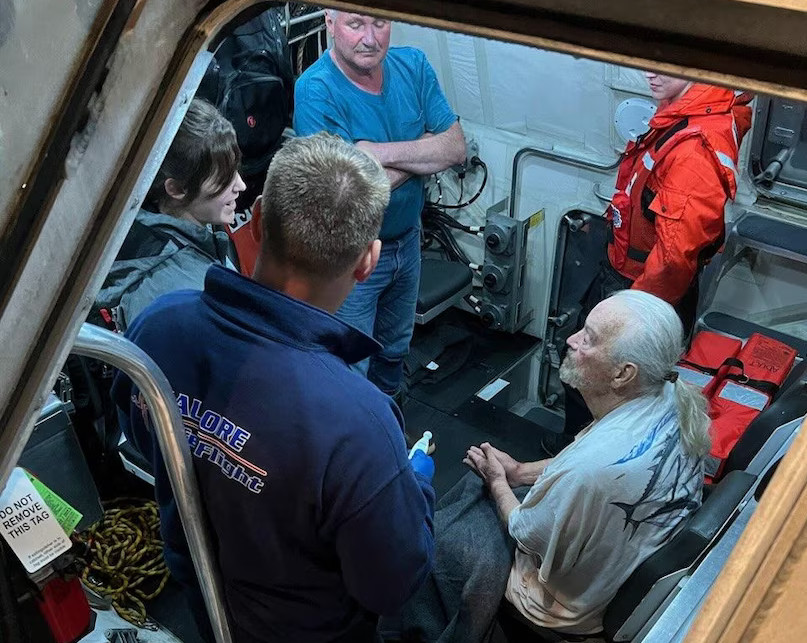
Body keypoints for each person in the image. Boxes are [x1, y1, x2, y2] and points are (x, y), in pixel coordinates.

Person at [112, 133, 436, 643]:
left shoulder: (158, 326)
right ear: (367, 260)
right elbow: (390, 587)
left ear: (257, 220)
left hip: (203, 593)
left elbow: (144, 436)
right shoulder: (360, 422)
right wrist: (415, 482)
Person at [400, 290, 710, 640]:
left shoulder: (596, 467)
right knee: (482, 486)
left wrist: (499, 481)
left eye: (589, 339)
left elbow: (524, 529)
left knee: (440, 544)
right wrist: (518, 471)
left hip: (561, 606)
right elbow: (575, 462)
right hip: (613, 554)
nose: (572, 340)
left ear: (624, 373)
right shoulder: (666, 394)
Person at [553, 74, 753, 447]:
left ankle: (580, 461)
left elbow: (674, 259)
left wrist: (627, 316)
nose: (651, 71)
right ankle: (575, 449)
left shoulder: (695, 150)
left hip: (641, 290)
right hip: (627, 276)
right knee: (594, 376)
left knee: (602, 380)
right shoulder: (681, 117)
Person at [293, 10, 466, 404]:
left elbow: (455, 147)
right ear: (330, 23)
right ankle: (350, 451)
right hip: (351, 258)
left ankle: (389, 425)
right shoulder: (315, 90)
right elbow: (347, 194)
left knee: (394, 351)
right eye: (356, 24)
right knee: (347, 365)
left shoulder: (414, 65)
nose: (371, 38)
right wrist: (422, 150)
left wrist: (375, 154)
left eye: (381, 22)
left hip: (408, 240)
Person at [94, 98, 246, 332]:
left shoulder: (145, 227)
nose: (241, 185)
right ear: (176, 189)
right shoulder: (185, 293)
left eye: (235, 170)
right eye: (223, 180)